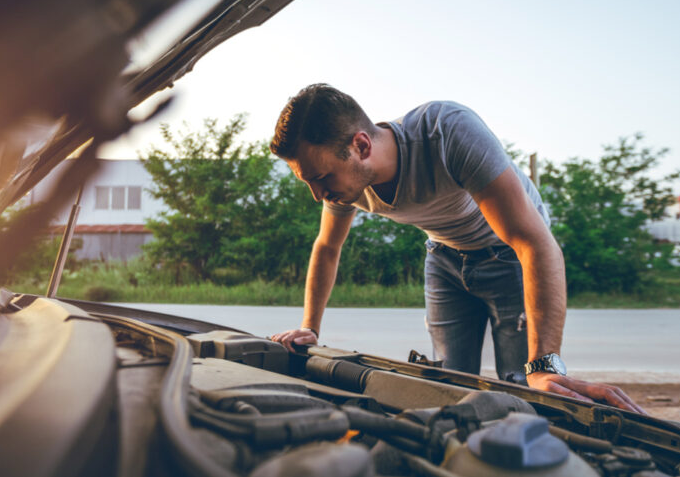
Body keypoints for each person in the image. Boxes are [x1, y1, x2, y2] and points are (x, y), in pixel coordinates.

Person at [269, 84, 645, 414]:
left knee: (525, 387)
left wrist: (545, 364)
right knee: (449, 388)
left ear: (361, 146)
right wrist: (309, 328)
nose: (317, 194)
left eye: (320, 178)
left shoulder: (447, 131)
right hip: (444, 259)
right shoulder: (343, 182)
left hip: (510, 256)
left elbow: (534, 242)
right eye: (308, 181)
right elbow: (327, 247)